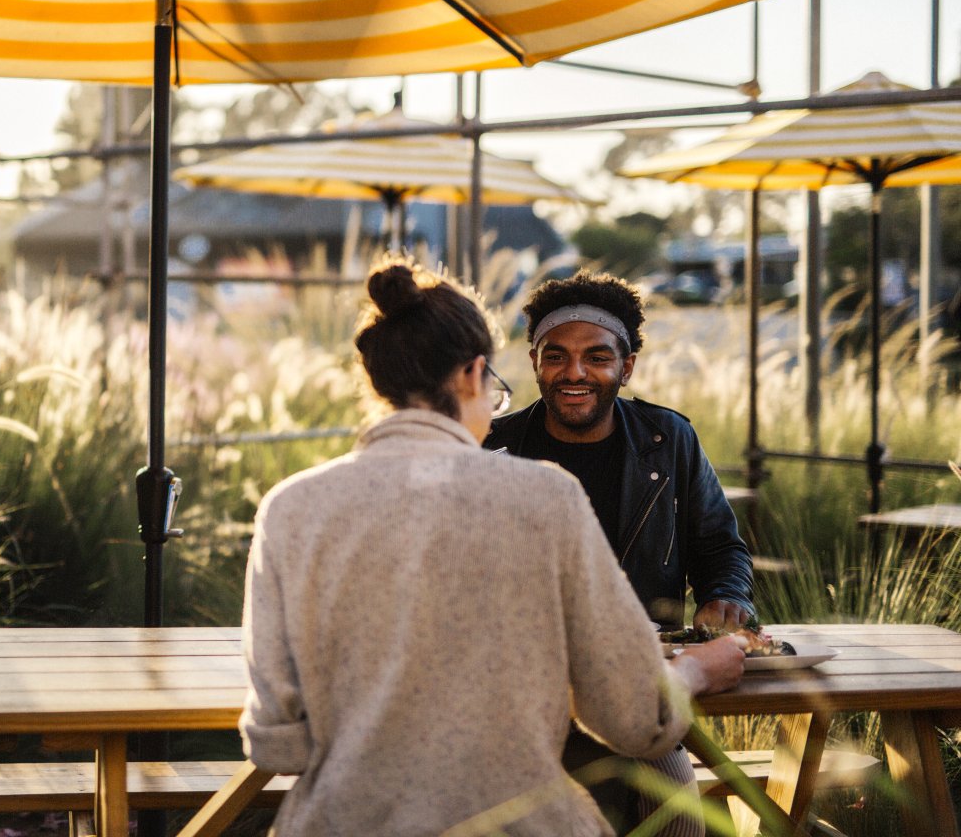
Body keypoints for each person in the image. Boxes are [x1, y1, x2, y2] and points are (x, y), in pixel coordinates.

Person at [240, 260, 746, 837]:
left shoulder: (288, 508)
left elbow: (275, 743)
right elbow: (635, 722)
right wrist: (695, 673)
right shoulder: (545, 495)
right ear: (475, 373)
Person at [483, 269, 755, 835]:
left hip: (641, 678)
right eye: (555, 356)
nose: (574, 372)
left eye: (597, 357)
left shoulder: (670, 437)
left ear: (626, 366)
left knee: (678, 809)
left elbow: (719, 545)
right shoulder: (493, 447)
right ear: (534, 361)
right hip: (522, 697)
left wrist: (726, 596)